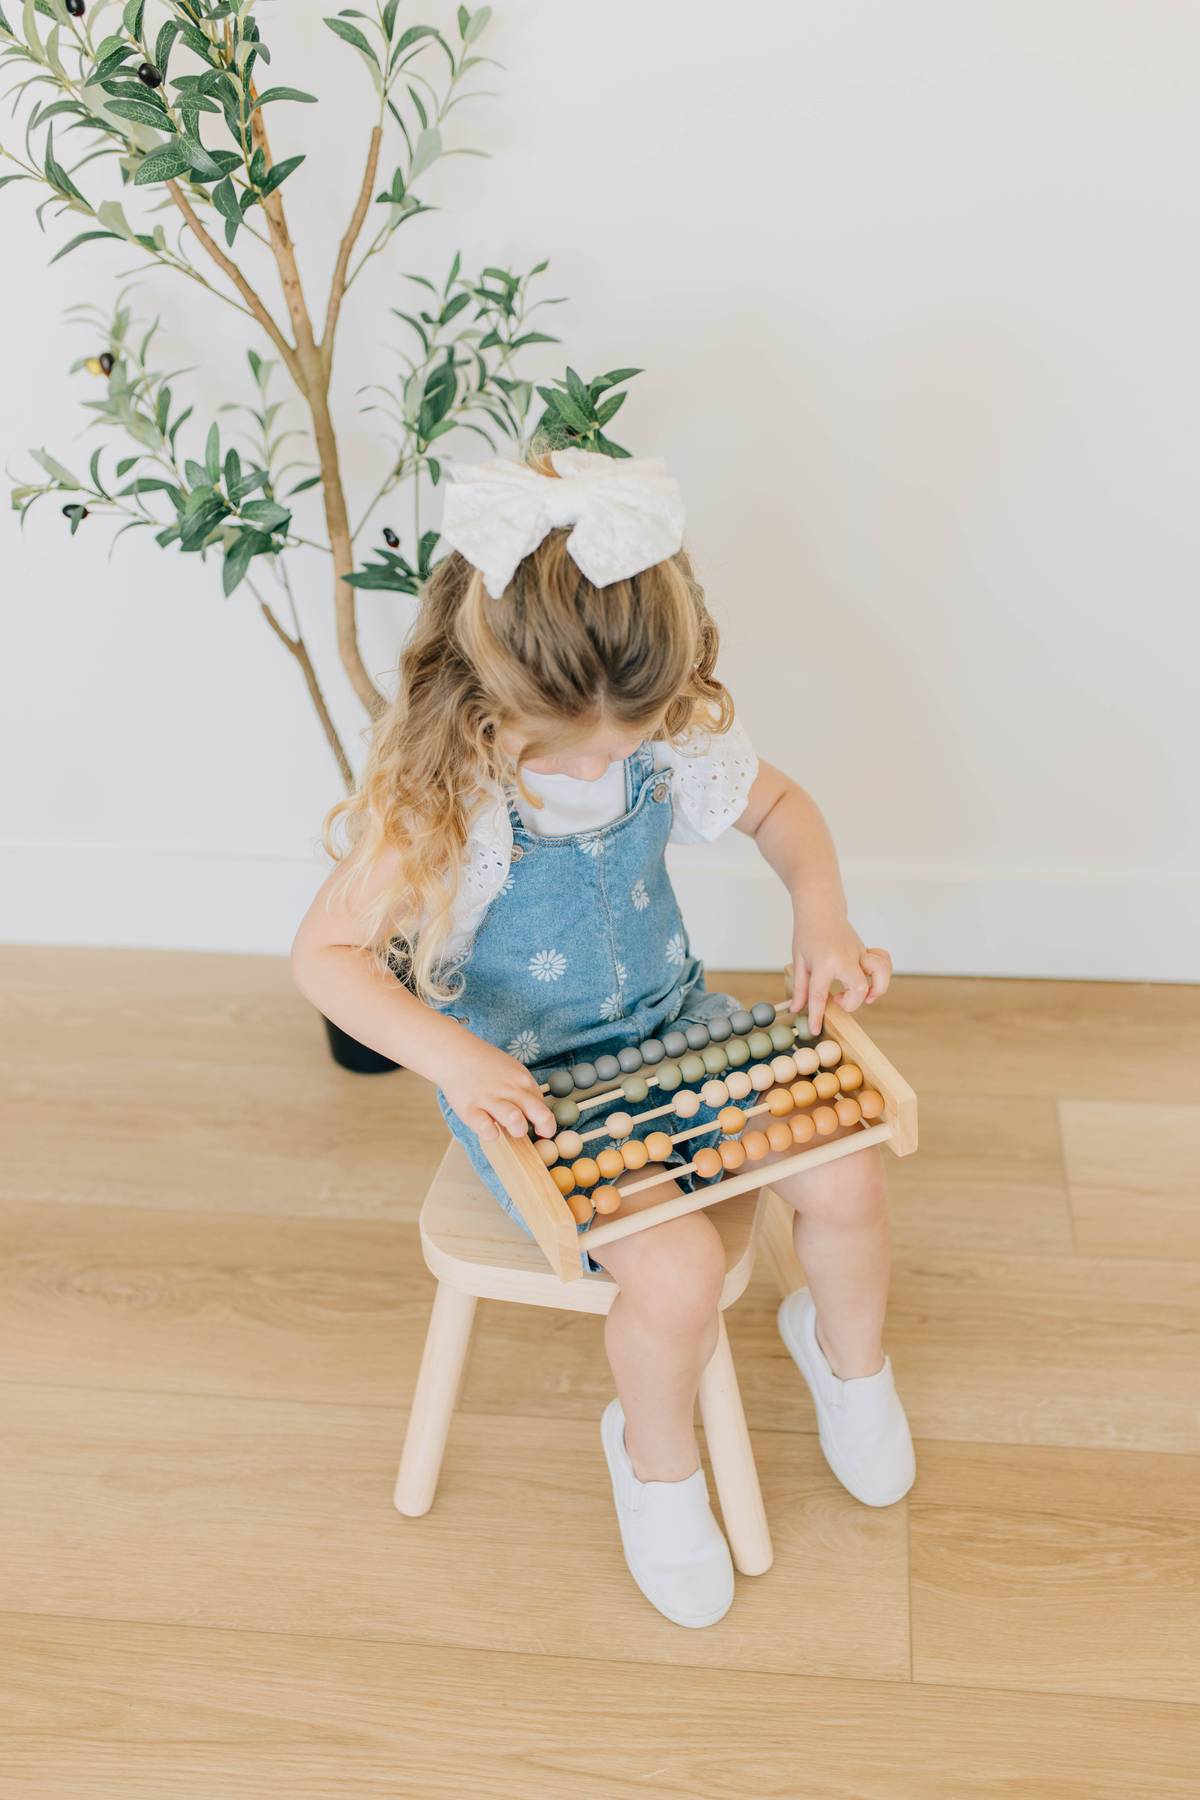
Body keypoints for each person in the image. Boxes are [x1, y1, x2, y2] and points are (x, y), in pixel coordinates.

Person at [290, 446, 915, 1630]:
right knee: (673, 1272)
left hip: (675, 1024)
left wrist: (821, 914)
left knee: (848, 1165)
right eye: (570, 750)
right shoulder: (451, 791)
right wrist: (455, 1058)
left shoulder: (660, 732)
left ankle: (848, 1358)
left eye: (622, 748)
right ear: (485, 699)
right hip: (536, 1086)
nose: (602, 766)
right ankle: (655, 1459)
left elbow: (782, 810)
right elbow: (321, 957)